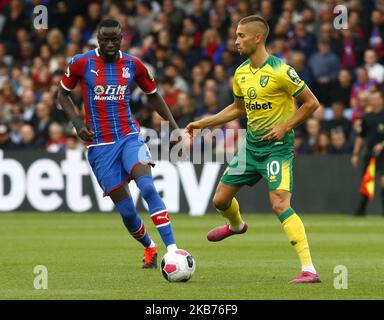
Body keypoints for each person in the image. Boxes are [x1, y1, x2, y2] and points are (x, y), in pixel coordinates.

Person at [186, 15, 321, 284]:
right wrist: (205, 123)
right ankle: (237, 225)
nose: (236, 41)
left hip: (277, 149)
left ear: (258, 37)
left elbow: (311, 103)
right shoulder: (241, 73)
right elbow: (238, 108)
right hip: (250, 147)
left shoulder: (282, 71)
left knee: (279, 203)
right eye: (236, 36)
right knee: (219, 201)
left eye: (241, 36)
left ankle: (309, 269)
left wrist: (285, 126)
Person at [58, 19, 180, 269]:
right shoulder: (82, 62)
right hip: (100, 147)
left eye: (115, 39)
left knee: (147, 187)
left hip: (129, 137)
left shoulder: (134, 65)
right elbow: (62, 94)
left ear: (122, 38)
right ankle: (150, 246)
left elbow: (153, 96)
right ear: (98, 39)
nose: (111, 44)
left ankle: (174, 250)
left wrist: (174, 127)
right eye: (105, 40)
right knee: (127, 212)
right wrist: (78, 124)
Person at [351, 91, 384, 216]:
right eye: (372, 99)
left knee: (383, 180)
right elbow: (360, 137)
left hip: (383, 154)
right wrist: (355, 153)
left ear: (381, 100)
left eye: (376, 98)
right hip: (370, 152)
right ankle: (361, 210)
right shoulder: (366, 117)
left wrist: (382, 145)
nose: (373, 101)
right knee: (366, 181)